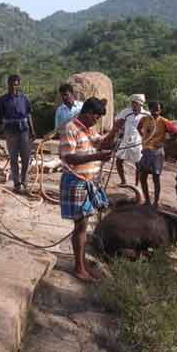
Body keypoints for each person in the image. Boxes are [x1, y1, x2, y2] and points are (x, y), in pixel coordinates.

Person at [59, 98, 124, 282]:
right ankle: (79, 268)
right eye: (95, 116)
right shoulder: (70, 128)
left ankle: (81, 265)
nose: (96, 119)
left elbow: (102, 143)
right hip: (76, 181)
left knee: (83, 225)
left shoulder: (89, 129)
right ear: (87, 112)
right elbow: (69, 158)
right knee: (80, 226)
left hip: (88, 182)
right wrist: (96, 156)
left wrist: (115, 130)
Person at [0, 75, 36, 193]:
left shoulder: (24, 98)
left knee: (26, 157)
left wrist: (32, 131)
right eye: (12, 84)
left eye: (16, 84)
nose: (14, 86)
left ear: (19, 84)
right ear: (8, 84)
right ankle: (16, 184)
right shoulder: (2, 99)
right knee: (13, 158)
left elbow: (29, 115)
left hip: (24, 130)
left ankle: (24, 182)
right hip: (10, 131)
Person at [137, 102, 176, 207]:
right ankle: (147, 200)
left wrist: (164, 142)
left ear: (160, 110)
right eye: (154, 109)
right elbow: (138, 127)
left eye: (158, 109)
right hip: (146, 151)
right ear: (150, 109)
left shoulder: (164, 121)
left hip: (157, 152)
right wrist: (144, 139)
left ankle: (156, 202)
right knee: (143, 176)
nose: (156, 112)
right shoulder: (144, 119)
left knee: (156, 177)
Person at [114, 94, 149, 187]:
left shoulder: (146, 115)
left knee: (139, 164)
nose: (133, 105)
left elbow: (150, 129)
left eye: (135, 103)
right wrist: (119, 128)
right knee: (118, 160)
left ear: (140, 104)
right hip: (125, 140)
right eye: (132, 103)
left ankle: (137, 184)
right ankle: (123, 181)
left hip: (138, 142)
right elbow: (117, 121)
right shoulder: (126, 112)